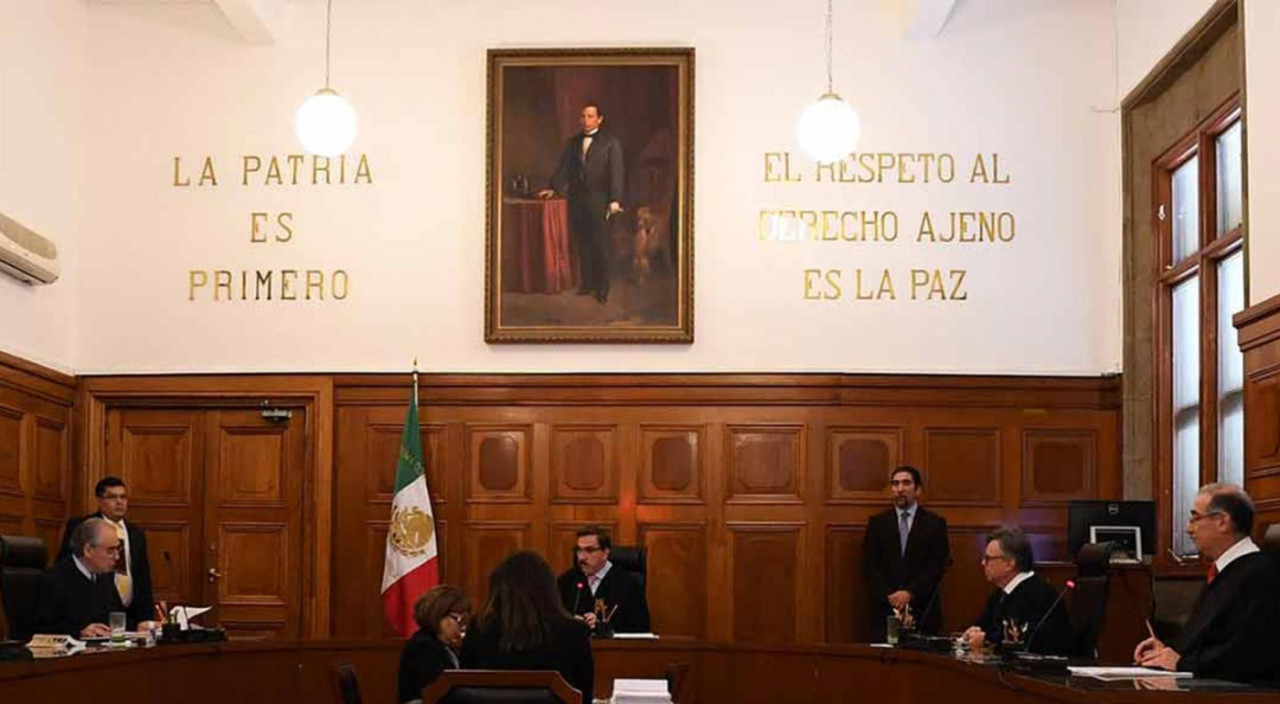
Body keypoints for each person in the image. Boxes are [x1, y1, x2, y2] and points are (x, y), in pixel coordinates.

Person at [1133, 484, 1280, 682]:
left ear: (1222, 522)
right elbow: (1211, 638)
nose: (1188, 529)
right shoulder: (1224, 571)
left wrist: (1182, 662)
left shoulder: (1260, 574)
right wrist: (1167, 650)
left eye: (1195, 518)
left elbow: (1250, 652)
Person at [461, 551, 594, 703]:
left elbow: (465, 690)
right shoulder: (574, 633)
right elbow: (584, 696)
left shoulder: (479, 629)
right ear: (549, 588)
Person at [537, 103, 625, 304]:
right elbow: (564, 169)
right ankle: (587, 284)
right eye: (583, 116)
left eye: (590, 116)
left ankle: (602, 288)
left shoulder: (611, 143)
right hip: (577, 200)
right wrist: (553, 188)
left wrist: (615, 199)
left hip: (600, 200)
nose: (586, 120)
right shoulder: (573, 142)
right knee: (583, 243)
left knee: (600, 245)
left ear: (599, 119)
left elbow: (617, 173)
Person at [860, 466, 950, 640]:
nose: (900, 489)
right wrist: (890, 596)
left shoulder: (934, 524)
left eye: (906, 483)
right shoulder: (878, 523)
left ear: (918, 489)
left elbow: (937, 565)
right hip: (884, 610)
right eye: (895, 484)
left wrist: (910, 593)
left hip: (922, 608)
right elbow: (868, 565)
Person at [57, 476, 154, 627]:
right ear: (99, 501)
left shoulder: (136, 533)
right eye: (113, 497)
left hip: (131, 611)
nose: (119, 502)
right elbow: (67, 565)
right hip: (91, 610)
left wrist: (147, 618)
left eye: (123, 497)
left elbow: (142, 576)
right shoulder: (83, 526)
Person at [35, 518, 156, 637]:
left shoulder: (105, 577)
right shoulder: (54, 579)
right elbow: (40, 629)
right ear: (88, 550)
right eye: (110, 551)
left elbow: (115, 617)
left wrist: (138, 627)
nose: (117, 557)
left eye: (118, 549)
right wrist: (80, 632)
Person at [962, 526, 1073, 655]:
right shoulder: (999, 594)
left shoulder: (1038, 595)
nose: (982, 563)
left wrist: (986, 640)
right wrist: (973, 632)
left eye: (988, 558)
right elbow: (985, 627)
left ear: (1010, 563)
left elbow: (1029, 641)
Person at [556, 525, 650, 634]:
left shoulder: (628, 584)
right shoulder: (567, 581)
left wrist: (603, 628)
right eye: (579, 550)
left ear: (605, 553)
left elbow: (640, 629)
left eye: (589, 550)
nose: (581, 557)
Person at [397, 584, 470, 704]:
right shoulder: (422, 647)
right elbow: (439, 690)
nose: (462, 626)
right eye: (457, 618)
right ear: (438, 616)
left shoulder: (446, 647)